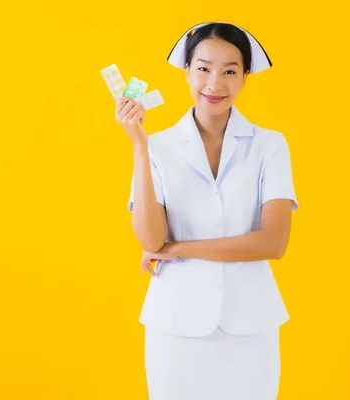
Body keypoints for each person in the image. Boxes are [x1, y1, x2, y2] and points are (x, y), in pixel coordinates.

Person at [116, 21, 299, 400]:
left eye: (230, 71)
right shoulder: (158, 147)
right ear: (187, 71)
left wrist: (177, 249)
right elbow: (150, 237)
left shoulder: (269, 146)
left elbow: (273, 242)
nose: (215, 83)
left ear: (245, 77)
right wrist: (139, 145)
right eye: (203, 68)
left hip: (251, 325)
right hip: (175, 324)